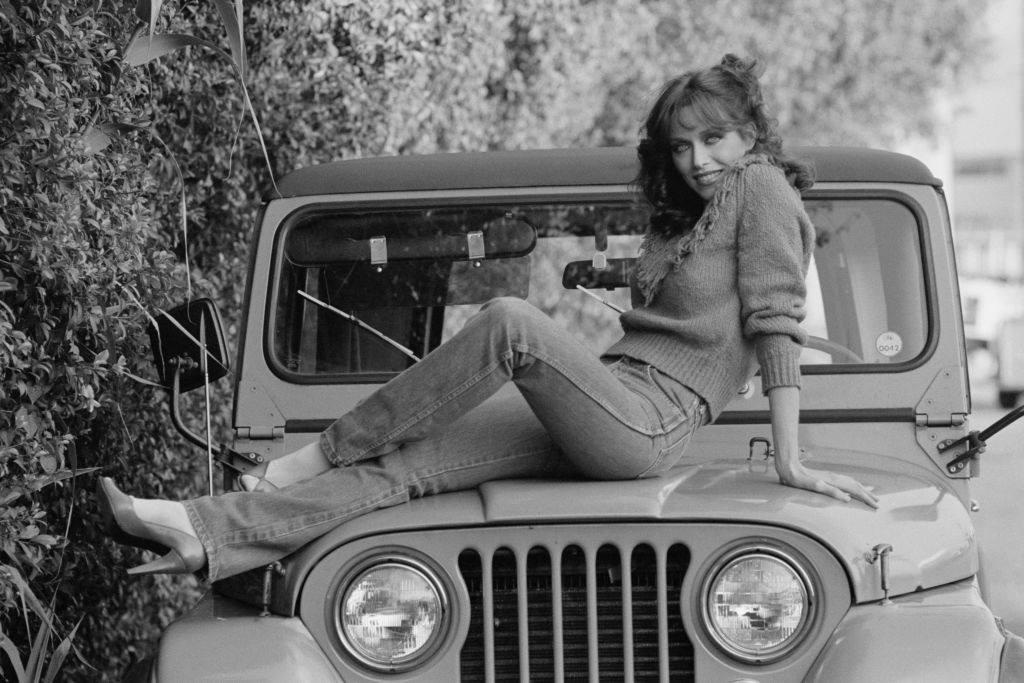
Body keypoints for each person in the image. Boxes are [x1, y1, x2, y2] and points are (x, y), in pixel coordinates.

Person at [97, 54, 878, 581]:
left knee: (509, 317)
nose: (698, 159)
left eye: (714, 139)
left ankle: (314, 454)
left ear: (750, 135)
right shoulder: (684, 219)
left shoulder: (763, 188)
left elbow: (776, 321)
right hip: (607, 398)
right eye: (681, 146)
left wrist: (790, 459)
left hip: (650, 423)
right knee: (407, 466)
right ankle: (206, 531)